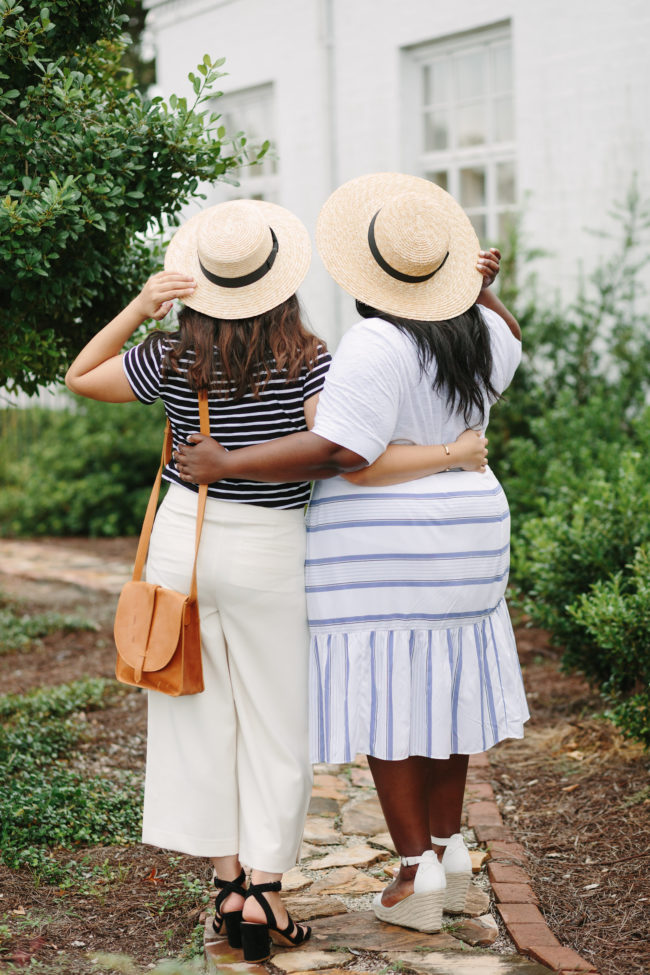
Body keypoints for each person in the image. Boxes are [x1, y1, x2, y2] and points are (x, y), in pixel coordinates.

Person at [64, 196, 492, 962]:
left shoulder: (171, 356)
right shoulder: (311, 358)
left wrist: (141, 302)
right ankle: (264, 890)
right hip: (269, 548)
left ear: (200, 282)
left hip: (182, 545)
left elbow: (81, 375)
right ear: (280, 283)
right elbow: (337, 450)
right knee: (275, 724)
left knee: (196, 716)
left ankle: (226, 882)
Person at [175, 174, 529, 935]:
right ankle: (448, 850)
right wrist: (484, 293)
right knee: (444, 690)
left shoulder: (376, 341)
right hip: (472, 535)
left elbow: (343, 452)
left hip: (384, 544)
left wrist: (227, 464)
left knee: (392, 701)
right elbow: (514, 342)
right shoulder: (478, 331)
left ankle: (414, 875)